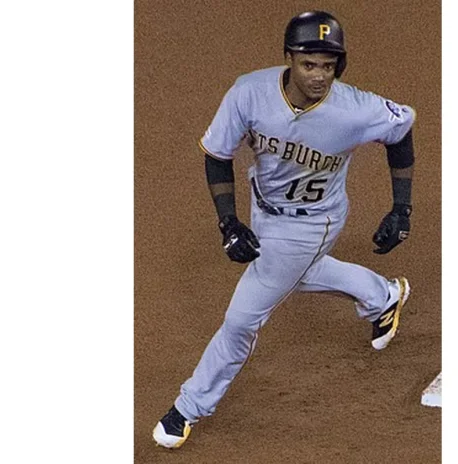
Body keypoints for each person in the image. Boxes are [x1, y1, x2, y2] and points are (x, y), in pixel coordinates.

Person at [153, 10, 416, 449]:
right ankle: (382, 295)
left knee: (242, 317)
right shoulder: (249, 93)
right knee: (301, 273)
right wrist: (228, 221)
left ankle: (189, 406)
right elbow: (217, 155)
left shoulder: (356, 109)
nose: (319, 76)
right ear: (289, 58)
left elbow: (401, 130)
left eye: (328, 66)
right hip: (264, 208)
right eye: (309, 64)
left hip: (314, 222)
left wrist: (401, 209)